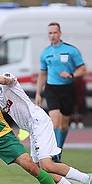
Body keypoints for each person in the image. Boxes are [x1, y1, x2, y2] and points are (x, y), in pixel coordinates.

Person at [0, 58, 92, 184]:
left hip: (38, 122)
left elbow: (8, 80)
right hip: (31, 128)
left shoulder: (5, 79)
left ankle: (86, 178)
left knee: (47, 164)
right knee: (39, 169)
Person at [36, 22, 87, 162]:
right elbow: (42, 74)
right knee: (55, 121)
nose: (52, 35)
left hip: (67, 89)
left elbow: (83, 69)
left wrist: (71, 75)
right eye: (50, 33)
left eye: (55, 33)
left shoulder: (71, 50)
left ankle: (59, 148)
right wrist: (38, 93)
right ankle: (54, 152)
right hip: (51, 89)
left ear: (60, 33)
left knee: (64, 125)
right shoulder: (45, 53)